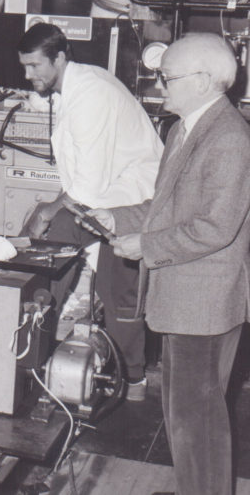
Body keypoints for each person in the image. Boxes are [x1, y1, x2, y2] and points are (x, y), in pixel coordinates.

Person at [89, 33, 250, 495]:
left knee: (197, 424)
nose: (159, 85)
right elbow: (167, 205)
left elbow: (215, 228)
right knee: (184, 416)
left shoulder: (228, 139)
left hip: (204, 302)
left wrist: (146, 247)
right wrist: (119, 216)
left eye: (168, 78)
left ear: (203, 81)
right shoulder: (184, 129)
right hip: (183, 296)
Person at [16, 23, 164, 400]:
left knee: (117, 293)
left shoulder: (91, 94)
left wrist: (47, 211)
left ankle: (132, 379)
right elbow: (82, 174)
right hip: (104, 194)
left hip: (131, 199)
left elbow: (89, 186)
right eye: (25, 66)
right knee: (46, 256)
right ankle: (31, 352)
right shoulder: (74, 87)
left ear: (60, 58)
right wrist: (46, 212)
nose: (28, 75)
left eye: (35, 66)